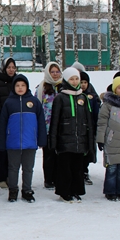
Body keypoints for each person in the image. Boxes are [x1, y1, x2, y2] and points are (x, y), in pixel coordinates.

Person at [0, 74, 46, 203]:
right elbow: (2, 123)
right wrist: (1, 141)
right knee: (13, 168)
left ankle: (27, 190)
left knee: (28, 168)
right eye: (17, 85)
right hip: (12, 142)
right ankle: (13, 190)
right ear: (14, 87)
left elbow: (41, 121)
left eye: (23, 85)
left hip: (30, 142)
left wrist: (41, 139)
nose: (20, 88)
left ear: (27, 87)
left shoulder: (34, 102)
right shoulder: (9, 102)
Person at [49, 67, 94, 203]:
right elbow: (55, 121)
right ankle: (64, 192)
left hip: (80, 140)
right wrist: (53, 141)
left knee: (77, 168)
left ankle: (75, 190)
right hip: (64, 139)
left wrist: (89, 140)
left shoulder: (83, 97)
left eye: (76, 79)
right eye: (71, 79)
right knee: (65, 169)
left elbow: (88, 121)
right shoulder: (60, 98)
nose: (74, 82)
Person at [0, 57, 18, 189]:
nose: (11, 70)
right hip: (1, 122)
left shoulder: (18, 83)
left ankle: (10, 176)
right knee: (1, 150)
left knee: (13, 150)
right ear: (3, 68)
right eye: (9, 67)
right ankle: (1, 178)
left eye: (13, 67)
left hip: (15, 122)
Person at [35, 62, 63, 190]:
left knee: (60, 154)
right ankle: (49, 179)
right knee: (48, 154)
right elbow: (37, 108)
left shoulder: (64, 86)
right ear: (48, 73)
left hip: (62, 127)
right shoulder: (41, 88)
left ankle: (59, 178)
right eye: (53, 72)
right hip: (47, 126)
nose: (55, 74)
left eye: (57, 71)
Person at [80, 72, 99, 186]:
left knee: (87, 151)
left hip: (89, 128)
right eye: (81, 82)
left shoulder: (92, 96)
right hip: (78, 128)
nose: (83, 85)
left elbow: (96, 113)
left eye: (85, 82)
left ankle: (85, 171)